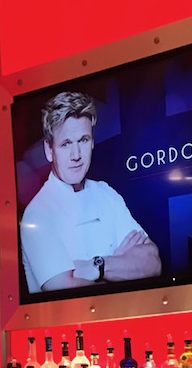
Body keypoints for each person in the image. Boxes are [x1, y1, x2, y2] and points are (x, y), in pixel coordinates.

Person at [20, 91, 161, 293]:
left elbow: (153, 262)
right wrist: (121, 266)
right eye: (66, 144)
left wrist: (98, 266)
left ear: (93, 141)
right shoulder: (37, 214)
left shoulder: (106, 193)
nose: (76, 155)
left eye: (83, 140)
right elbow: (65, 292)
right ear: (49, 150)